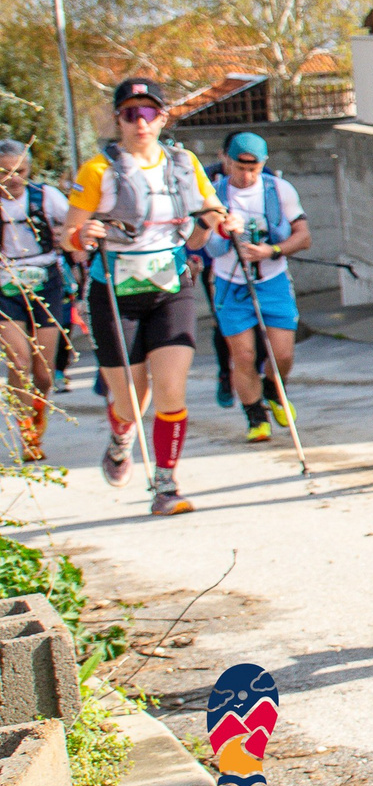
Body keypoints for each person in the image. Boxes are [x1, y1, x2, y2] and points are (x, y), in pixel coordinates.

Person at [65, 78, 222, 515]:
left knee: (171, 389)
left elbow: (198, 232)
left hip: (171, 288)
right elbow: (70, 241)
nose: (141, 122)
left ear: (163, 118)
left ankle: (166, 484)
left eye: (150, 113)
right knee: (132, 401)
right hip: (114, 293)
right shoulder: (98, 171)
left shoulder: (183, 163)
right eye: (131, 113)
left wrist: (214, 219)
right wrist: (86, 233)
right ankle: (121, 437)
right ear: (118, 118)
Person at [200, 132, 309, 443]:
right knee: (244, 355)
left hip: (272, 281)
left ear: (263, 164)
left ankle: (275, 389)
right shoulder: (213, 195)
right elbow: (203, 244)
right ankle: (255, 416)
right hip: (230, 283)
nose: (246, 175)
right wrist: (219, 229)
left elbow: (303, 236)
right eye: (239, 168)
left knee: (282, 354)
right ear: (227, 161)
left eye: (254, 168)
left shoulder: (280, 190)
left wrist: (271, 251)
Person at [0, 140, 77, 461]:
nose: (14, 179)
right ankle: (25, 430)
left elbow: (73, 224)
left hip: (46, 281)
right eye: (5, 172)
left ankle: (37, 415)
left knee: (43, 371)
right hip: (5, 285)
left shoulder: (46, 197)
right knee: (18, 361)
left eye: (21, 171)